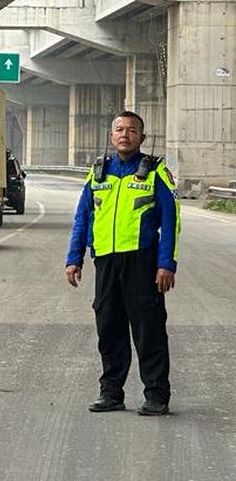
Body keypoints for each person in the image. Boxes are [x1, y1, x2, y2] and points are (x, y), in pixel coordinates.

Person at [65, 111, 180, 417]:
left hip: (142, 262)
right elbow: (82, 217)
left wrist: (166, 263)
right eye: (119, 129)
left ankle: (156, 396)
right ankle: (111, 393)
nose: (125, 135)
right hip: (105, 262)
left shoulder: (156, 172)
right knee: (109, 329)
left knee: (148, 330)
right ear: (111, 136)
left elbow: (171, 221)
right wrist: (73, 258)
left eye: (131, 130)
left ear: (142, 138)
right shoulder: (98, 173)